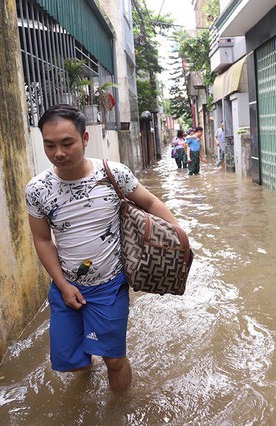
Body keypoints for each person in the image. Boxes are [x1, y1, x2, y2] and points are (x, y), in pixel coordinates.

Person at [25, 104, 179, 392]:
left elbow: (151, 203)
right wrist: (62, 284)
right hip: (66, 288)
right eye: (49, 145)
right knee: (76, 363)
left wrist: (179, 239)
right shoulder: (37, 190)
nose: (58, 153)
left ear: (84, 139)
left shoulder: (113, 175)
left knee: (114, 360)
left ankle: (120, 411)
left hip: (109, 287)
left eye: (67, 143)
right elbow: (42, 239)